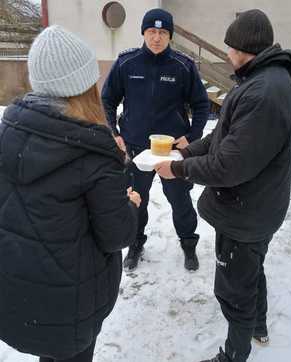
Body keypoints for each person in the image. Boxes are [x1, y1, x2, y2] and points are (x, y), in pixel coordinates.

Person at [154, 9, 291, 362]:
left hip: (246, 211)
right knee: (251, 270)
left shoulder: (263, 92)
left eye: (230, 47)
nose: (227, 53)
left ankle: (235, 353)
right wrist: (186, 149)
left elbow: (228, 165)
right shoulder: (263, 80)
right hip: (257, 207)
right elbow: (223, 138)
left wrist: (179, 169)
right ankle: (259, 327)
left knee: (234, 290)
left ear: (243, 48)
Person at [0, 25, 140, 362]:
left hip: (17, 291)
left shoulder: (9, 131)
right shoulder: (93, 153)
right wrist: (129, 202)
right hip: (69, 301)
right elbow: (116, 234)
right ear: (85, 85)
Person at [101, 8, 209, 272]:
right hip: (136, 149)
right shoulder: (127, 63)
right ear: (144, 33)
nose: (157, 37)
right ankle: (136, 242)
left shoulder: (183, 66)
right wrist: (114, 132)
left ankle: (188, 243)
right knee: (137, 199)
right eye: (152, 31)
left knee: (180, 201)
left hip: (171, 152)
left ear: (169, 35)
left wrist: (192, 137)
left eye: (162, 32)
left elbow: (202, 104)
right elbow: (107, 98)